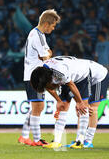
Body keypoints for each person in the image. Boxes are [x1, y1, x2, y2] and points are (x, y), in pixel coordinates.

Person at [30, 56, 102, 149]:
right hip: (67, 76)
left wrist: (79, 102)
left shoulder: (60, 72)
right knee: (62, 107)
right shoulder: (44, 73)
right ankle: (56, 141)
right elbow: (48, 86)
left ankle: (79, 141)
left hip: (82, 76)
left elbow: (71, 84)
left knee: (83, 107)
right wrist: (58, 101)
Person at [18, 9, 60, 147]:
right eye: (53, 26)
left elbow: (48, 53)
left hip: (32, 74)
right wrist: (48, 54)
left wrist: (48, 53)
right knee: (38, 106)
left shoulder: (36, 34)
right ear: (47, 24)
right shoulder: (37, 36)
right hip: (34, 76)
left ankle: (24, 136)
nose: (53, 29)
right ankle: (37, 139)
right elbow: (46, 55)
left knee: (36, 107)